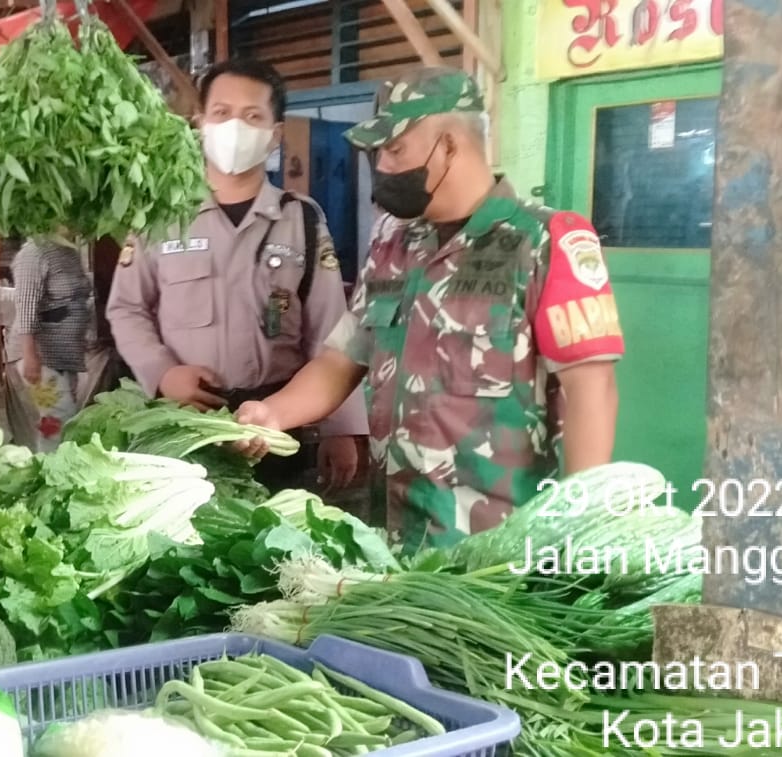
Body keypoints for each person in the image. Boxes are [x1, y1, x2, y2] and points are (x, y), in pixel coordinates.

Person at [235, 67, 624, 547]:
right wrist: (272, 414)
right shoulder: (391, 246)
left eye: (395, 150)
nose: (382, 167)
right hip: (392, 534)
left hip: (497, 545)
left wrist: (581, 526)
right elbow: (341, 359)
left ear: (449, 147)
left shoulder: (545, 241)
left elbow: (593, 390)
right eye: (379, 153)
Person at [106, 58, 367, 493]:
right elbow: (127, 308)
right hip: (184, 423)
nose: (235, 127)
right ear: (200, 124)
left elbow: (333, 328)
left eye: (252, 117)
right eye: (222, 113)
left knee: (270, 548)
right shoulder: (161, 215)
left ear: (275, 135)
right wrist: (162, 372)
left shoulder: (299, 219)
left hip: (277, 428)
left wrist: (342, 426)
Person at [5, 236, 93, 452]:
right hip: (39, 355)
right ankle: (50, 469)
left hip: (66, 354)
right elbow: (26, 306)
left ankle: (51, 464)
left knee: (59, 418)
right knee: (59, 418)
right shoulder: (34, 253)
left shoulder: (69, 251)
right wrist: (30, 355)